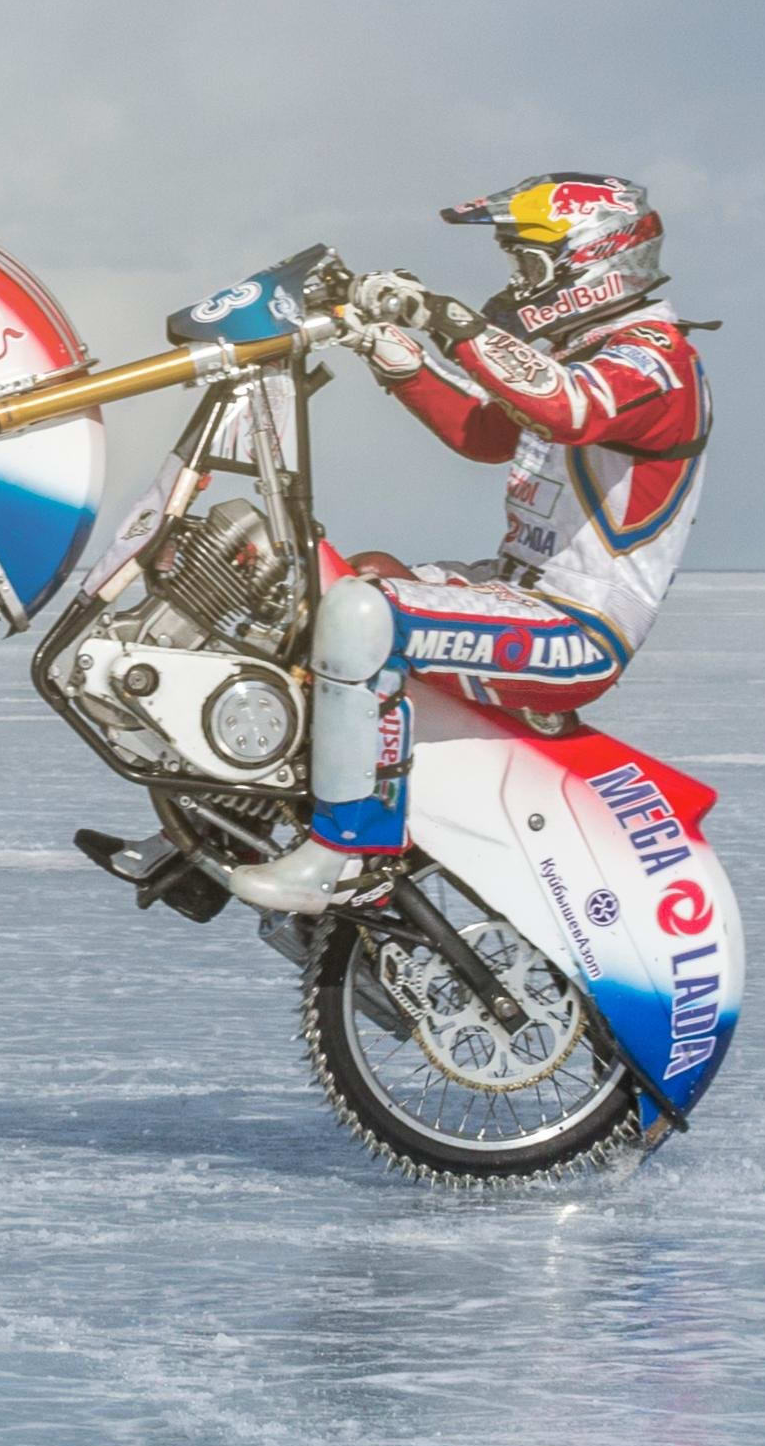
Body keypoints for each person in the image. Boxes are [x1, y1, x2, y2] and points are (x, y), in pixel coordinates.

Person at [238, 177, 708, 908]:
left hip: (578, 627)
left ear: (584, 262)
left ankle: (345, 848)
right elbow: (486, 433)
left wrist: (440, 316)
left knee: (364, 615)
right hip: (513, 591)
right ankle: (236, 821)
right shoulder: (586, 350)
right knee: (330, 585)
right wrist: (380, 342)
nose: (515, 283)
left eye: (525, 264)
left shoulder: (655, 361)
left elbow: (567, 408)